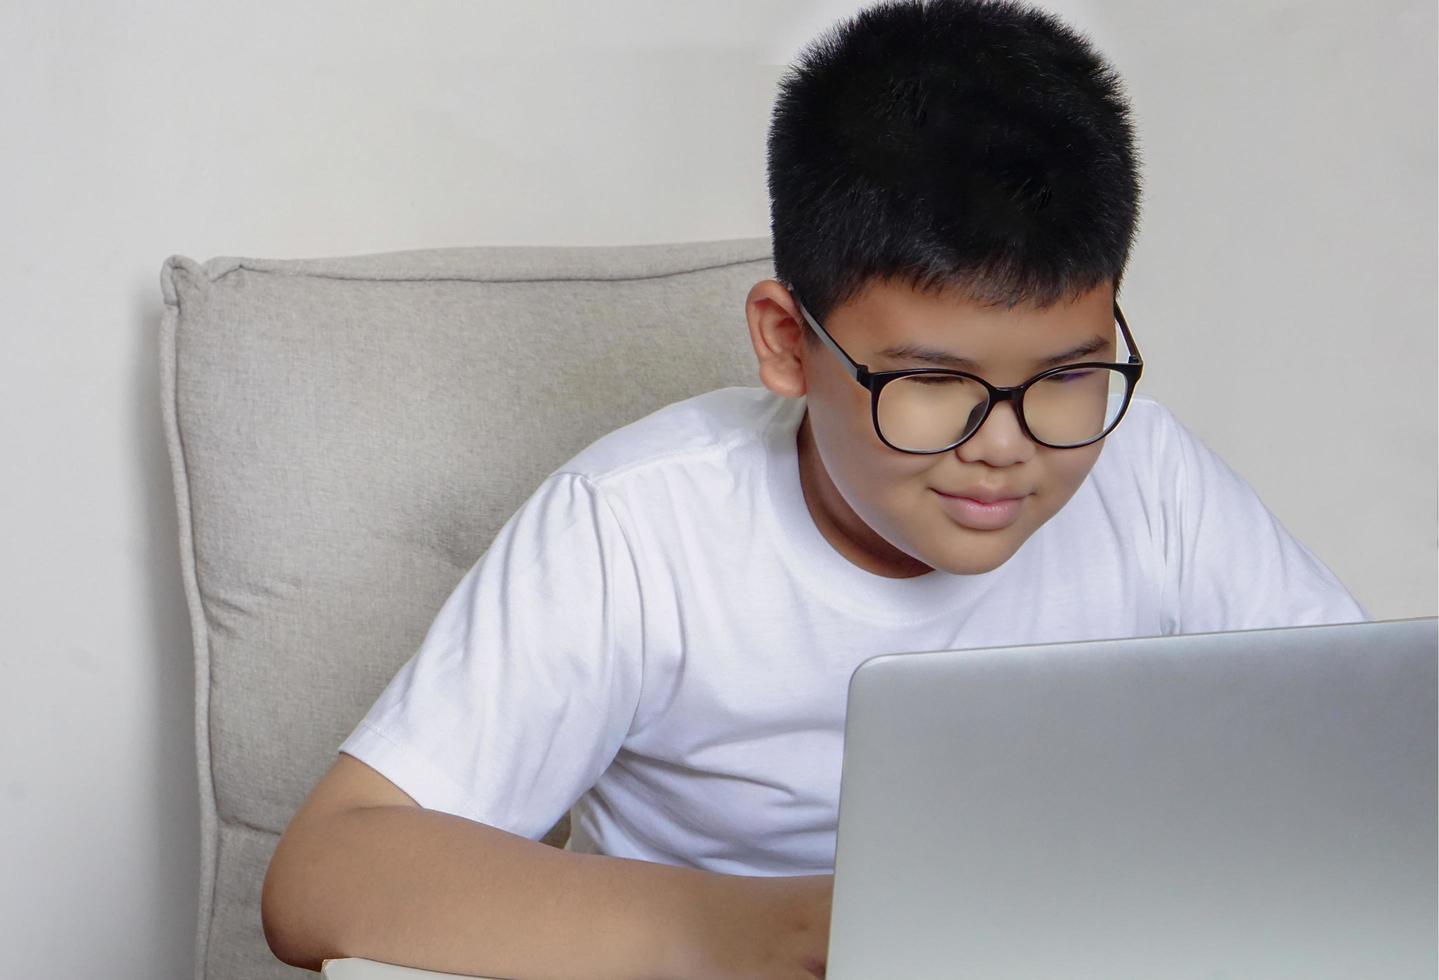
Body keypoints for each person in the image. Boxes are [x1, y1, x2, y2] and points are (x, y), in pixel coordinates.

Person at [261, 1, 1366, 977]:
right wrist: (757, 933)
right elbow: (326, 875)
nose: (1006, 446)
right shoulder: (642, 524)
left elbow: (1360, 752)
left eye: (1069, 374)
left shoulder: (1146, 473)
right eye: (933, 381)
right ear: (788, 344)